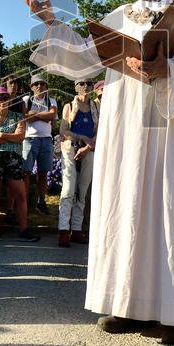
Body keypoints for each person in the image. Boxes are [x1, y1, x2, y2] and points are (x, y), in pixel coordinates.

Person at [24, 0, 174, 345]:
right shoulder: (119, 15)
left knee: (167, 205)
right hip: (125, 127)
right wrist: (51, 24)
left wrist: (168, 65)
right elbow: (83, 59)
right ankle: (126, 304)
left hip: (169, 127)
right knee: (124, 203)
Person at [0, 84, 39, 241]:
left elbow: (20, 136)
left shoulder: (17, 117)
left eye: (4, 97)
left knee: (20, 194)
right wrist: (8, 136)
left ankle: (23, 229)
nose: (1, 100)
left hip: (14, 158)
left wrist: (1, 134)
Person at [57, 79, 98, 247]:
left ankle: (76, 229)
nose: (85, 87)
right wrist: (81, 138)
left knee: (83, 190)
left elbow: (99, 130)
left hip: (88, 151)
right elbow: (63, 130)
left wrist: (88, 146)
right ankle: (63, 230)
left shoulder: (96, 108)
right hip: (70, 149)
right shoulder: (69, 106)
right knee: (68, 188)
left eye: (89, 83)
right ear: (76, 86)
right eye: (81, 83)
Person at [21, 74, 57, 214]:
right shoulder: (26, 100)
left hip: (46, 139)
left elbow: (52, 116)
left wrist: (34, 114)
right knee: (26, 172)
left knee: (43, 173)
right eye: (36, 84)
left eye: (42, 84)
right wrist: (44, 115)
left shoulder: (51, 100)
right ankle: (24, 202)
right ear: (32, 87)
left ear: (46, 87)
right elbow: (25, 118)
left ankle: (41, 201)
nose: (39, 86)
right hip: (30, 139)